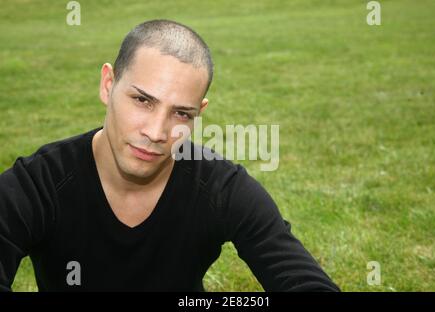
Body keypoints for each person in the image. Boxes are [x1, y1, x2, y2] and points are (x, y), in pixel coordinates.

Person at [0, 19, 339, 292]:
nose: (156, 132)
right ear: (108, 84)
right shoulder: (39, 183)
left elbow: (299, 277)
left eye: (181, 114)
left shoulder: (221, 188)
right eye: (142, 100)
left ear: (199, 113)